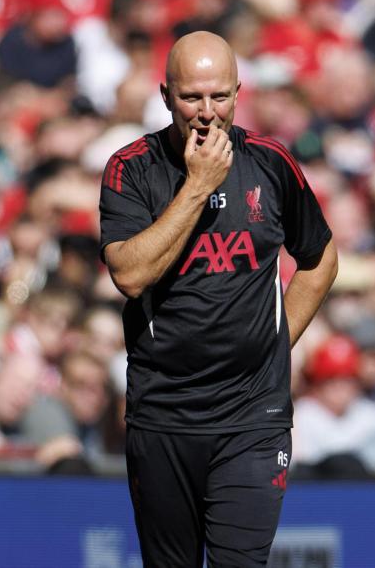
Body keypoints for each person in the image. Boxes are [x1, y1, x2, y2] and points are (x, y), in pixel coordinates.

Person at [99, 31, 337, 567]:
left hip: (253, 413)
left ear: (237, 92)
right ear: (165, 97)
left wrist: (276, 343)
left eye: (219, 96)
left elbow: (320, 260)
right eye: (191, 98)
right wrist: (198, 186)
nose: (207, 113)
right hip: (165, 411)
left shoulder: (271, 162)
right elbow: (131, 275)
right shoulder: (132, 168)